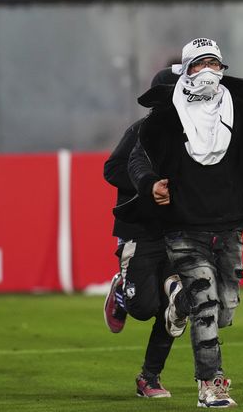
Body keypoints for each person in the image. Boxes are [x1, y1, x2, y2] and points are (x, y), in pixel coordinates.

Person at [123, 38, 243, 408]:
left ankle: (178, 302)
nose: (208, 70)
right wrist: (149, 184)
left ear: (223, 68)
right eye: (200, 63)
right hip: (183, 227)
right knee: (205, 306)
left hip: (232, 225)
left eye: (214, 63)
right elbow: (136, 160)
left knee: (224, 309)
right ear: (185, 71)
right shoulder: (165, 117)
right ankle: (211, 385)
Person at [102, 68, 180, 399]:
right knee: (143, 308)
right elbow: (113, 169)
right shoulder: (141, 131)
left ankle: (150, 377)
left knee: (177, 306)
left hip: (180, 231)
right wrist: (148, 183)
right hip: (140, 230)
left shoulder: (203, 131)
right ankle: (122, 291)